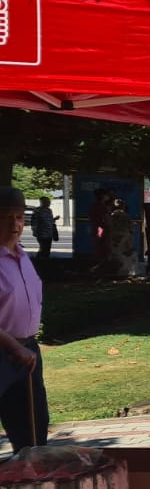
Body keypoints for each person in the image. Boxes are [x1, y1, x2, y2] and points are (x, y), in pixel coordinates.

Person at [0, 188, 47, 451]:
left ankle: (32, 485)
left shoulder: (21, 255)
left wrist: (24, 346)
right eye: (7, 217)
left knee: (33, 432)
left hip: (27, 351)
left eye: (19, 217)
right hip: (6, 351)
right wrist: (14, 345)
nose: (15, 224)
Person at [30, 197, 57, 262]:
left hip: (49, 233)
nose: (48, 203)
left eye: (49, 202)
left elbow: (50, 221)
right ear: (42, 202)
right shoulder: (37, 210)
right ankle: (39, 261)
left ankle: (44, 261)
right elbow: (34, 222)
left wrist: (54, 219)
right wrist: (35, 231)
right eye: (46, 202)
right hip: (41, 233)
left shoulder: (49, 210)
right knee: (43, 248)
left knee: (47, 249)